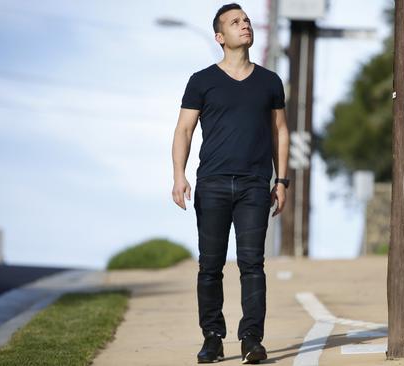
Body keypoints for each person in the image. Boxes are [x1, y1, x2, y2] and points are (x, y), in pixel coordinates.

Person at [171, 2, 290, 364]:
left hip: (255, 186)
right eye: (235, 22)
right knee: (210, 266)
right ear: (220, 37)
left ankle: (251, 339)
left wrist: (281, 180)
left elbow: (280, 132)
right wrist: (179, 175)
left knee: (253, 265)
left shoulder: (269, 82)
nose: (245, 25)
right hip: (212, 184)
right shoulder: (202, 81)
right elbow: (184, 130)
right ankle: (212, 337)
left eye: (247, 20)